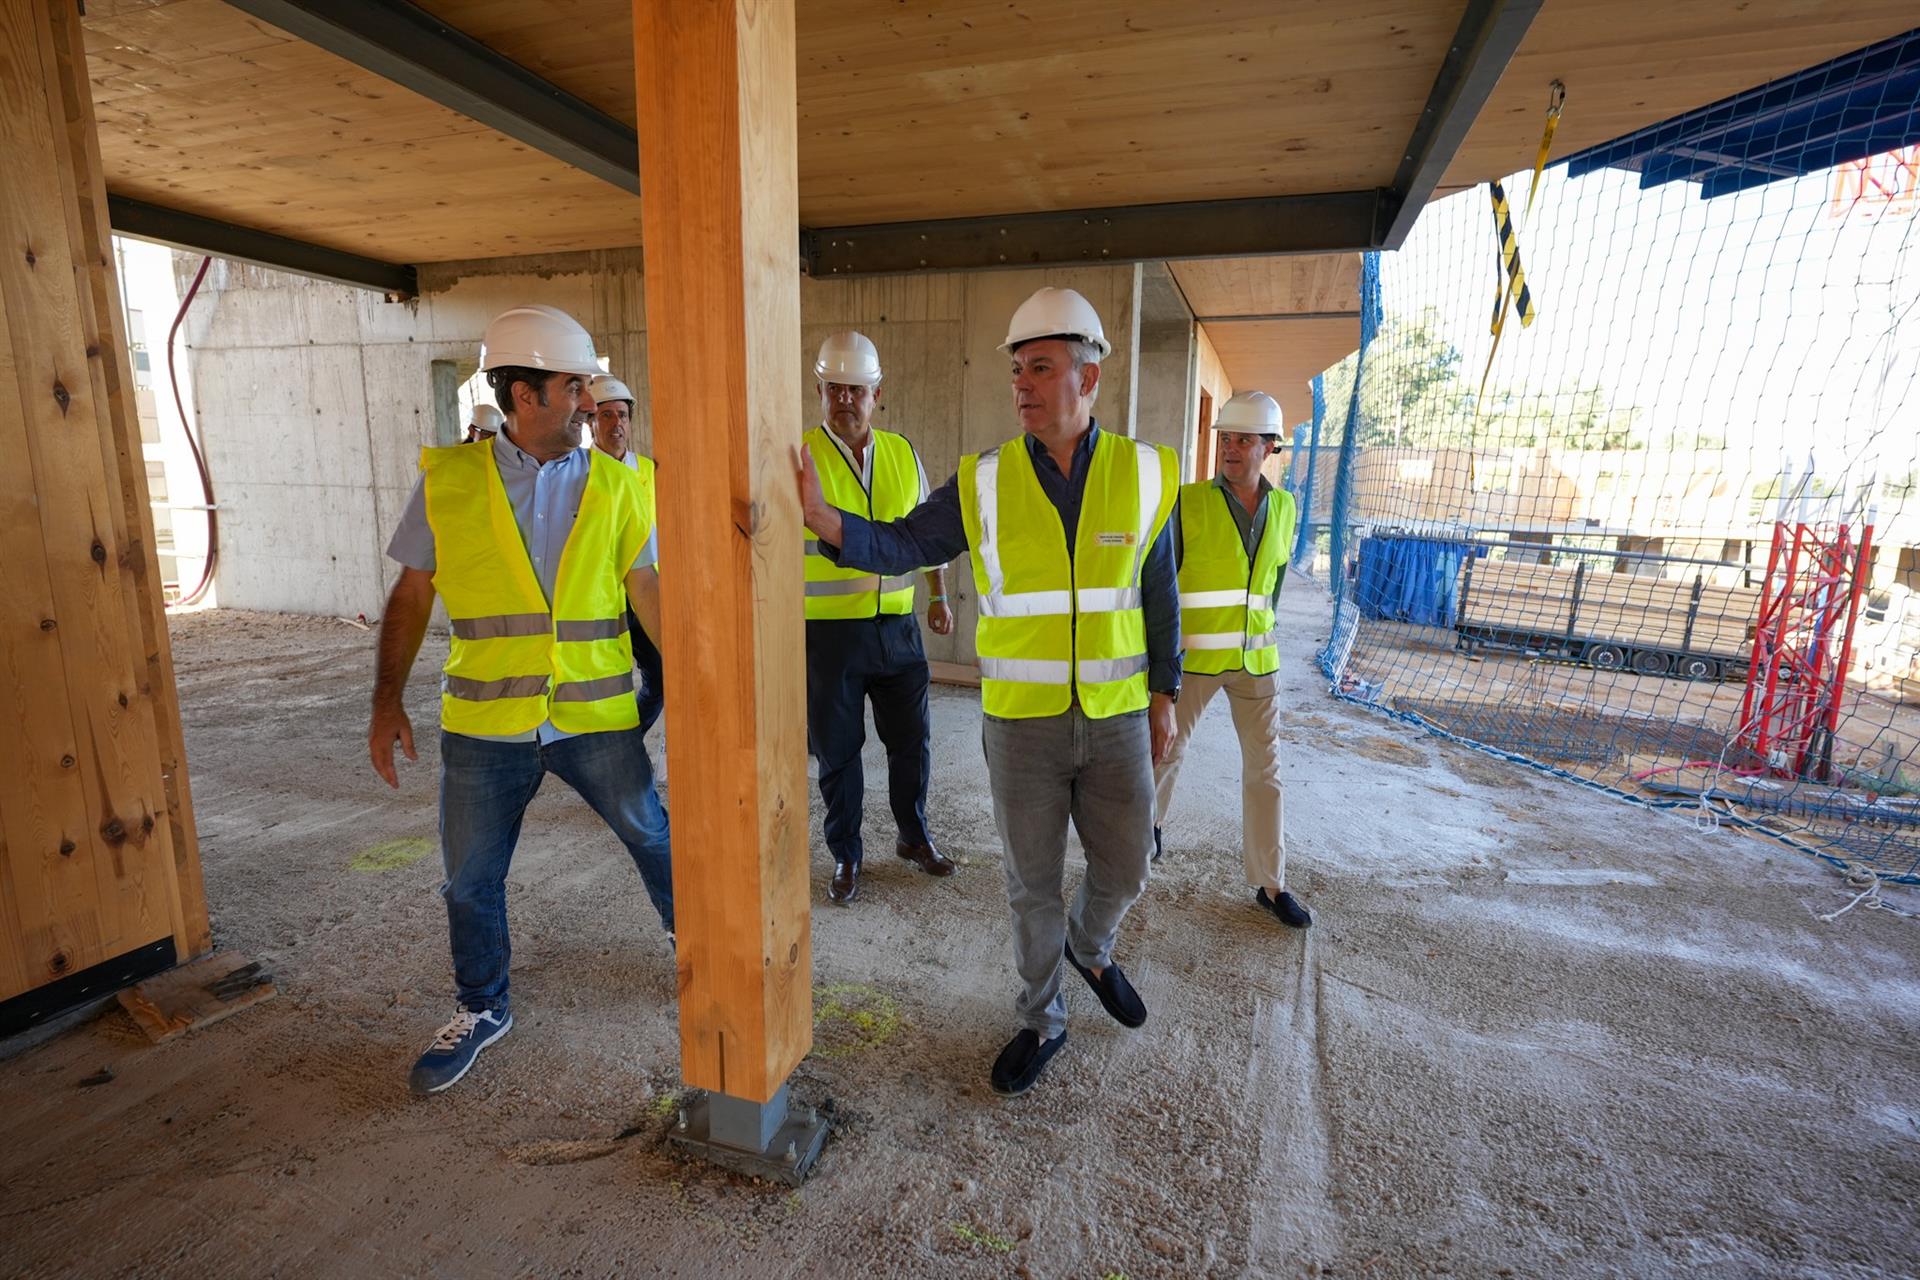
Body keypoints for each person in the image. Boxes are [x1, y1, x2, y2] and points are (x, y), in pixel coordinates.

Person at [796, 288, 1179, 1097]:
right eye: (1016, 371)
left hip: (1114, 716)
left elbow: (1159, 589)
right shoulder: (985, 480)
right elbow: (905, 542)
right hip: (1022, 725)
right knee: (1029, 885)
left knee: (1127, 862)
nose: (1023, 386)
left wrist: (1165, 692)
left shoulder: (1148, 473)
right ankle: (1043, 1018)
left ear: (1090, 377)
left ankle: (1093, 945)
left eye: (1040, 368)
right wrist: (833, 528)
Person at [369, 305, 674, 1096]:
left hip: (594, 714)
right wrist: (385, 701)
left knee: (653, 835)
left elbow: (647, 592)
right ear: (523, 394)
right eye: (574, 387)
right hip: (485, 722)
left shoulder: (619, 484)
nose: (590, 402)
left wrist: (701, 689)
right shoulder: (449, 482)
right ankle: (481, 1008)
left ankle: (695, 948)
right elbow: (412, 591)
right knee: (469, 878)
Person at [802, 331, 956, 905]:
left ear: (876, 394)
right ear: (820, 392)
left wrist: (937, 595)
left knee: (912, 742)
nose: (846, 399)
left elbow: (925, 535)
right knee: (839, 753)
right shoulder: (799, 456)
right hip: (828, 635)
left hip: (899, 627)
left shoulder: (903, 452)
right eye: (834, 388)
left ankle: (913, 838)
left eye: (856, 390)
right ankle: (846, 855)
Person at [1153, 390, 1310, 929]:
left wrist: (1260, 633)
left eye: (1244, 439)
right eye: (1226, 438)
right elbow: (1162, 587)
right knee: (1166, 749)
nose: (1232, 448)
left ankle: (1271, 883)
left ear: (1270, 448)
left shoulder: (1285, 508)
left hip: (1257, 663)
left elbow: (1273, 588)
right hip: (1194, 657)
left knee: (1266, 773)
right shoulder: (1188, 502)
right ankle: (1146, 834)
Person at [587, 373, 665, 737]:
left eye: (622, 415)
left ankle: (629, 743)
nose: (616, 423)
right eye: (606, 415)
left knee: (660, 682)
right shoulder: (579, 475)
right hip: (603, 601)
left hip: (646, 596)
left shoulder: (650, 471)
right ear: (590, 422)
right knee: (603, 692)